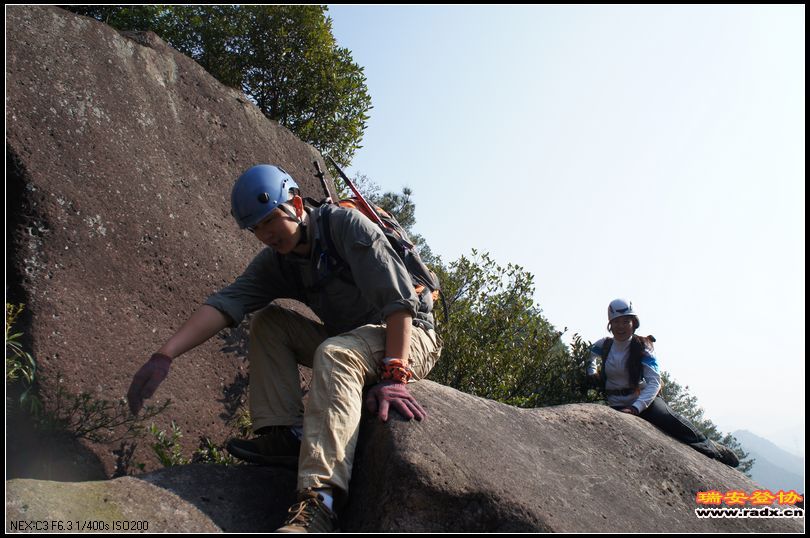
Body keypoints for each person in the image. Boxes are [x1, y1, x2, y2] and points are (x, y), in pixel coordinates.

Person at [126, 164, 442, 532]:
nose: (265, 234)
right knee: (270, 321)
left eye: (269, 220)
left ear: (293, 202)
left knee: (336, 353)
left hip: (407, 334)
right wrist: (164, 355)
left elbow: (400, 301)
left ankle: (319, 505)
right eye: (255, 227)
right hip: (351, 340)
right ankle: (287, 437)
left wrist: (395, 375)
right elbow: (227, 302)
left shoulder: (345, 227)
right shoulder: (281, 261)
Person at [586, 298, 739, 468]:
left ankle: (710, 447)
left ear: (634, 323)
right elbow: (590, 355)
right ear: (610, 325)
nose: (621, 326)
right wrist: (591, 370)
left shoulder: (641, 348)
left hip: (644, 401)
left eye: (626, 321)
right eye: (616, 322)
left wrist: (636, 407)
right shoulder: (605, 345)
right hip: (616, 403)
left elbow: (654, 382)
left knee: (668, 418)